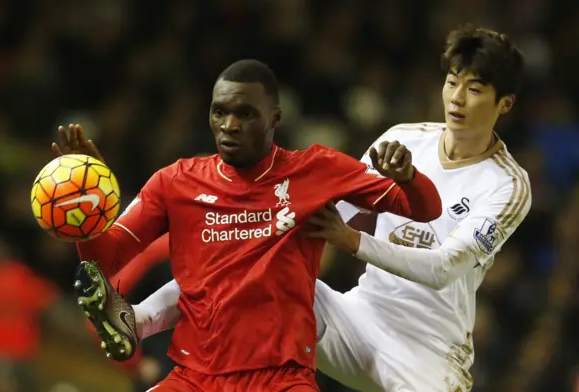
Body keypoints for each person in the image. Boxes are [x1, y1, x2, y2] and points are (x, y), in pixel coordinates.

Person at [127, 25, 531, 391]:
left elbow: (443, 269)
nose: (457, 98)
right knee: (248, 252)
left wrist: (352, 241)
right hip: (357, 318)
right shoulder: (403, 140)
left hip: (429, 350)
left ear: (505, 104)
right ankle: (138, 320)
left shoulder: (508, 185)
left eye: (475, 89)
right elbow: (336, 214)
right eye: (451, 82)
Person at [53, 59, 442, 392]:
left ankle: (137, 319)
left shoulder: (317, 170)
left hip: (281, 377)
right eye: (219, 112)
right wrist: (86, 211)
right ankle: (136, 318)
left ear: (275, 118)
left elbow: (423, 208)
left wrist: (409, 178)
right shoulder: (175, 183)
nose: (230, 125)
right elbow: (105, 259)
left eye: (245, 114)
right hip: (197, 376)